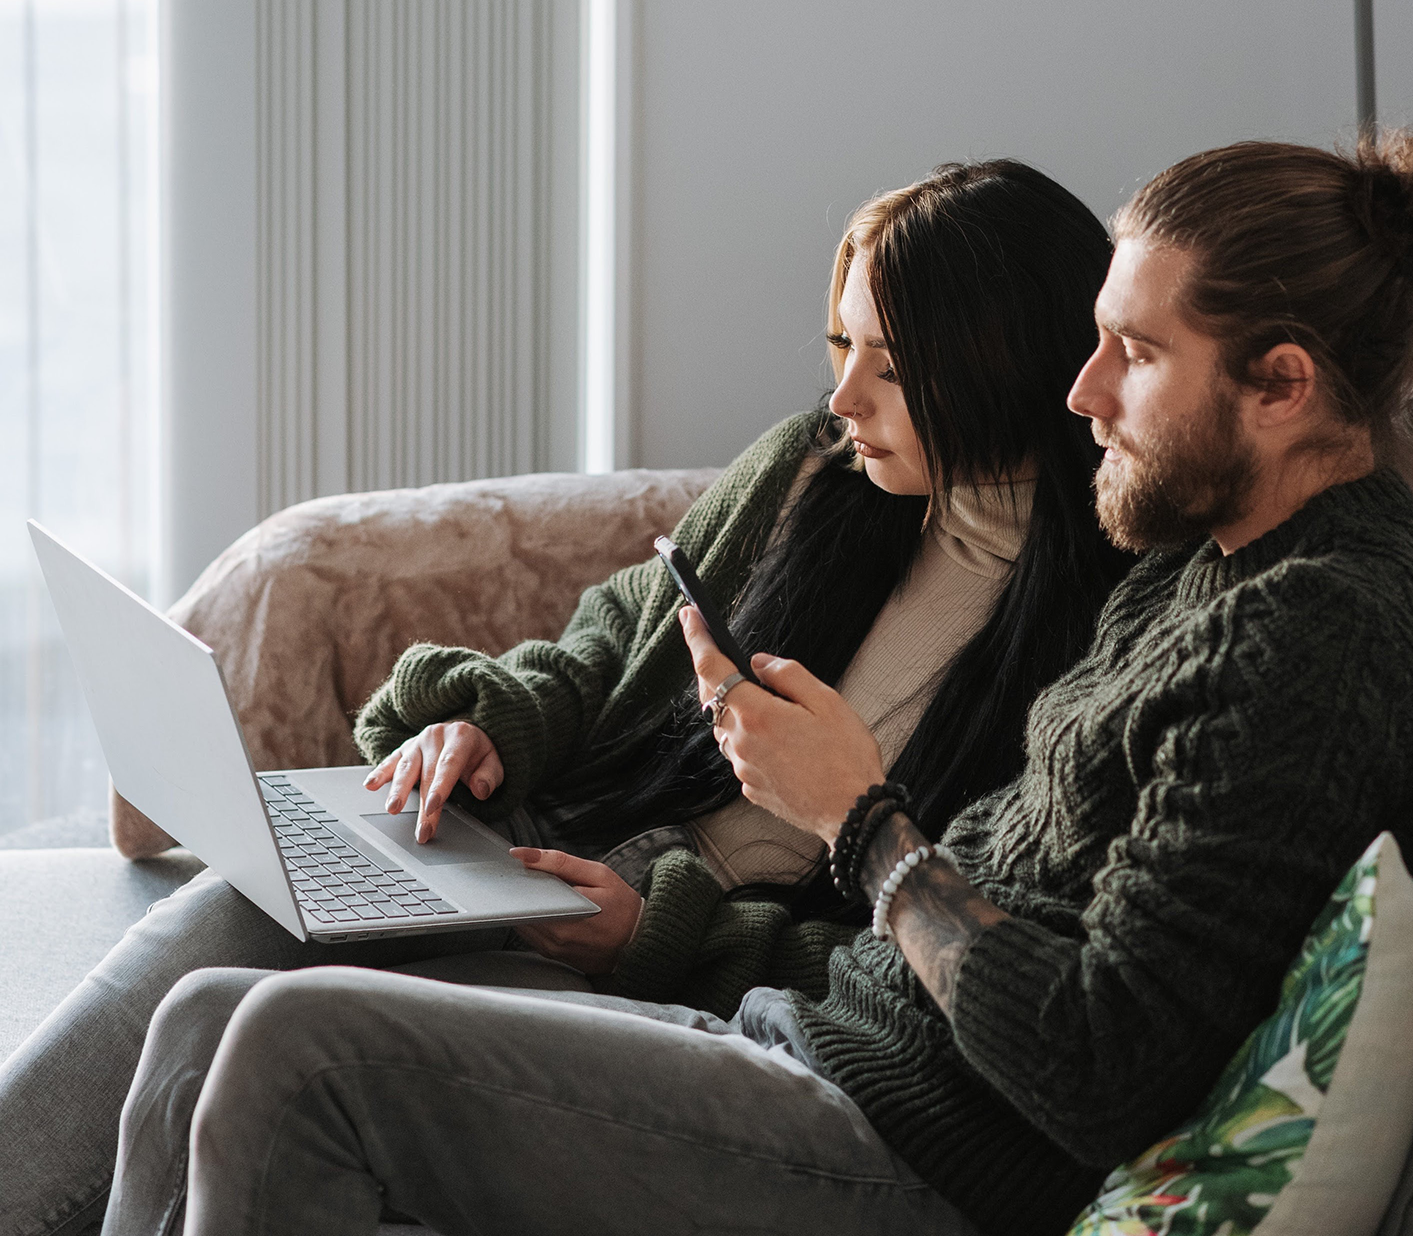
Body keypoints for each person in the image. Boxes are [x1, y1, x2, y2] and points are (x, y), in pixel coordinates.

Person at [94, 133, 1413, 1236]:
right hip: (823, 1042)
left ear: (1284, 386)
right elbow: (619, 643)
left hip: (914, 1155)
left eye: (1135, 352)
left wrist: (864, 823)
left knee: (295, 1052)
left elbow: (1095, 1066)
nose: (1085, 393)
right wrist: (498, 726)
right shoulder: (1201, 567)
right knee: (220, 1001)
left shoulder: (1309, 640)